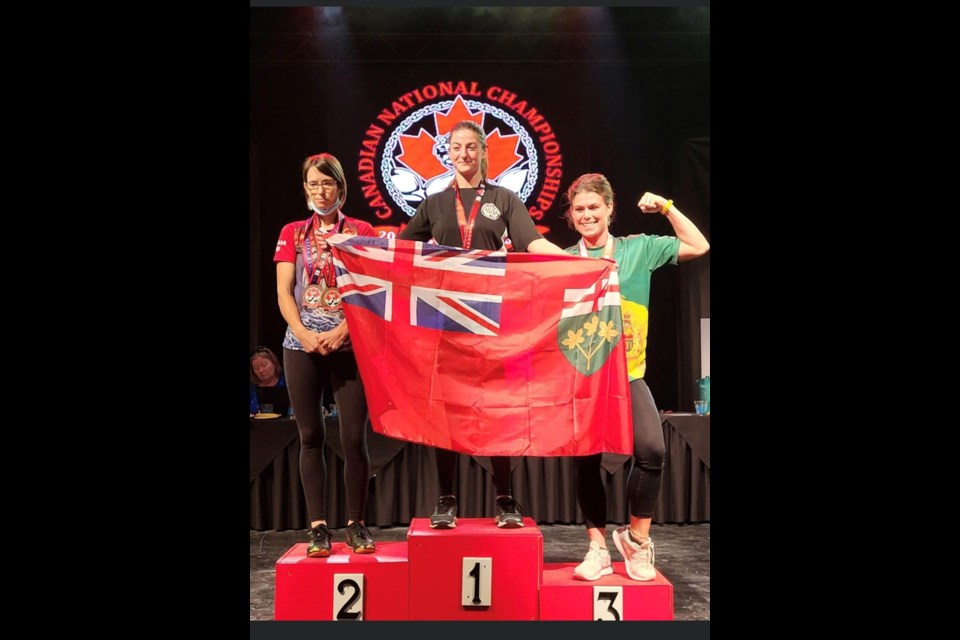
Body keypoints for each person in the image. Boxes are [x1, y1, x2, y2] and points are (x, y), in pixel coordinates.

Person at [397, 120, 568, 530]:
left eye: (472, 147)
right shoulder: (435, 203)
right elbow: (398, 251)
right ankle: (446, 499)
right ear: (448, 152)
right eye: (456, 147)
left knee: (498, 409)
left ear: (484, 152)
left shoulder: (504, 199)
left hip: (493, 320)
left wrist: (575, 261)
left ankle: (506, 498)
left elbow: (533, 244)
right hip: (445, 320)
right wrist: (358, 250)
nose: (464, 154)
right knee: (446, 412)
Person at [562, 173, 709, 582]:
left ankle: (636, 540)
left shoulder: (639, 248)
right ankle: (596, 548)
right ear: (571, 217)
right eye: (579, 210)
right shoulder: (564, 260)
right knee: (586, 461)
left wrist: (666, 206)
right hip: (584, 377)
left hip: (629, 373)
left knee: (652, 450)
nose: (587, 215)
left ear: (610, 209)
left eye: (594, 207)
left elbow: (700, 245)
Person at [274, 152, 378, 556]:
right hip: (301, 346)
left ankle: (356, 523)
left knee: (353, 437)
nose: (321, 191)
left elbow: (370, 291)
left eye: (327, 183)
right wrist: (302, 332)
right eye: (313, 184)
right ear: (305, 189)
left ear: (340, 187)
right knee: (311, 436)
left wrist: (343, 330)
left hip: (349, 343)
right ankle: (318, 527)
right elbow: (284, 292)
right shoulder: (293, 233)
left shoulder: (361, 230)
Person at [249, 346, 289, 416]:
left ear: (274, 363)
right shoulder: (251, 388)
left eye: (264, 365)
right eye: (256, 368)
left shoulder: (288, 383)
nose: (261, 370)